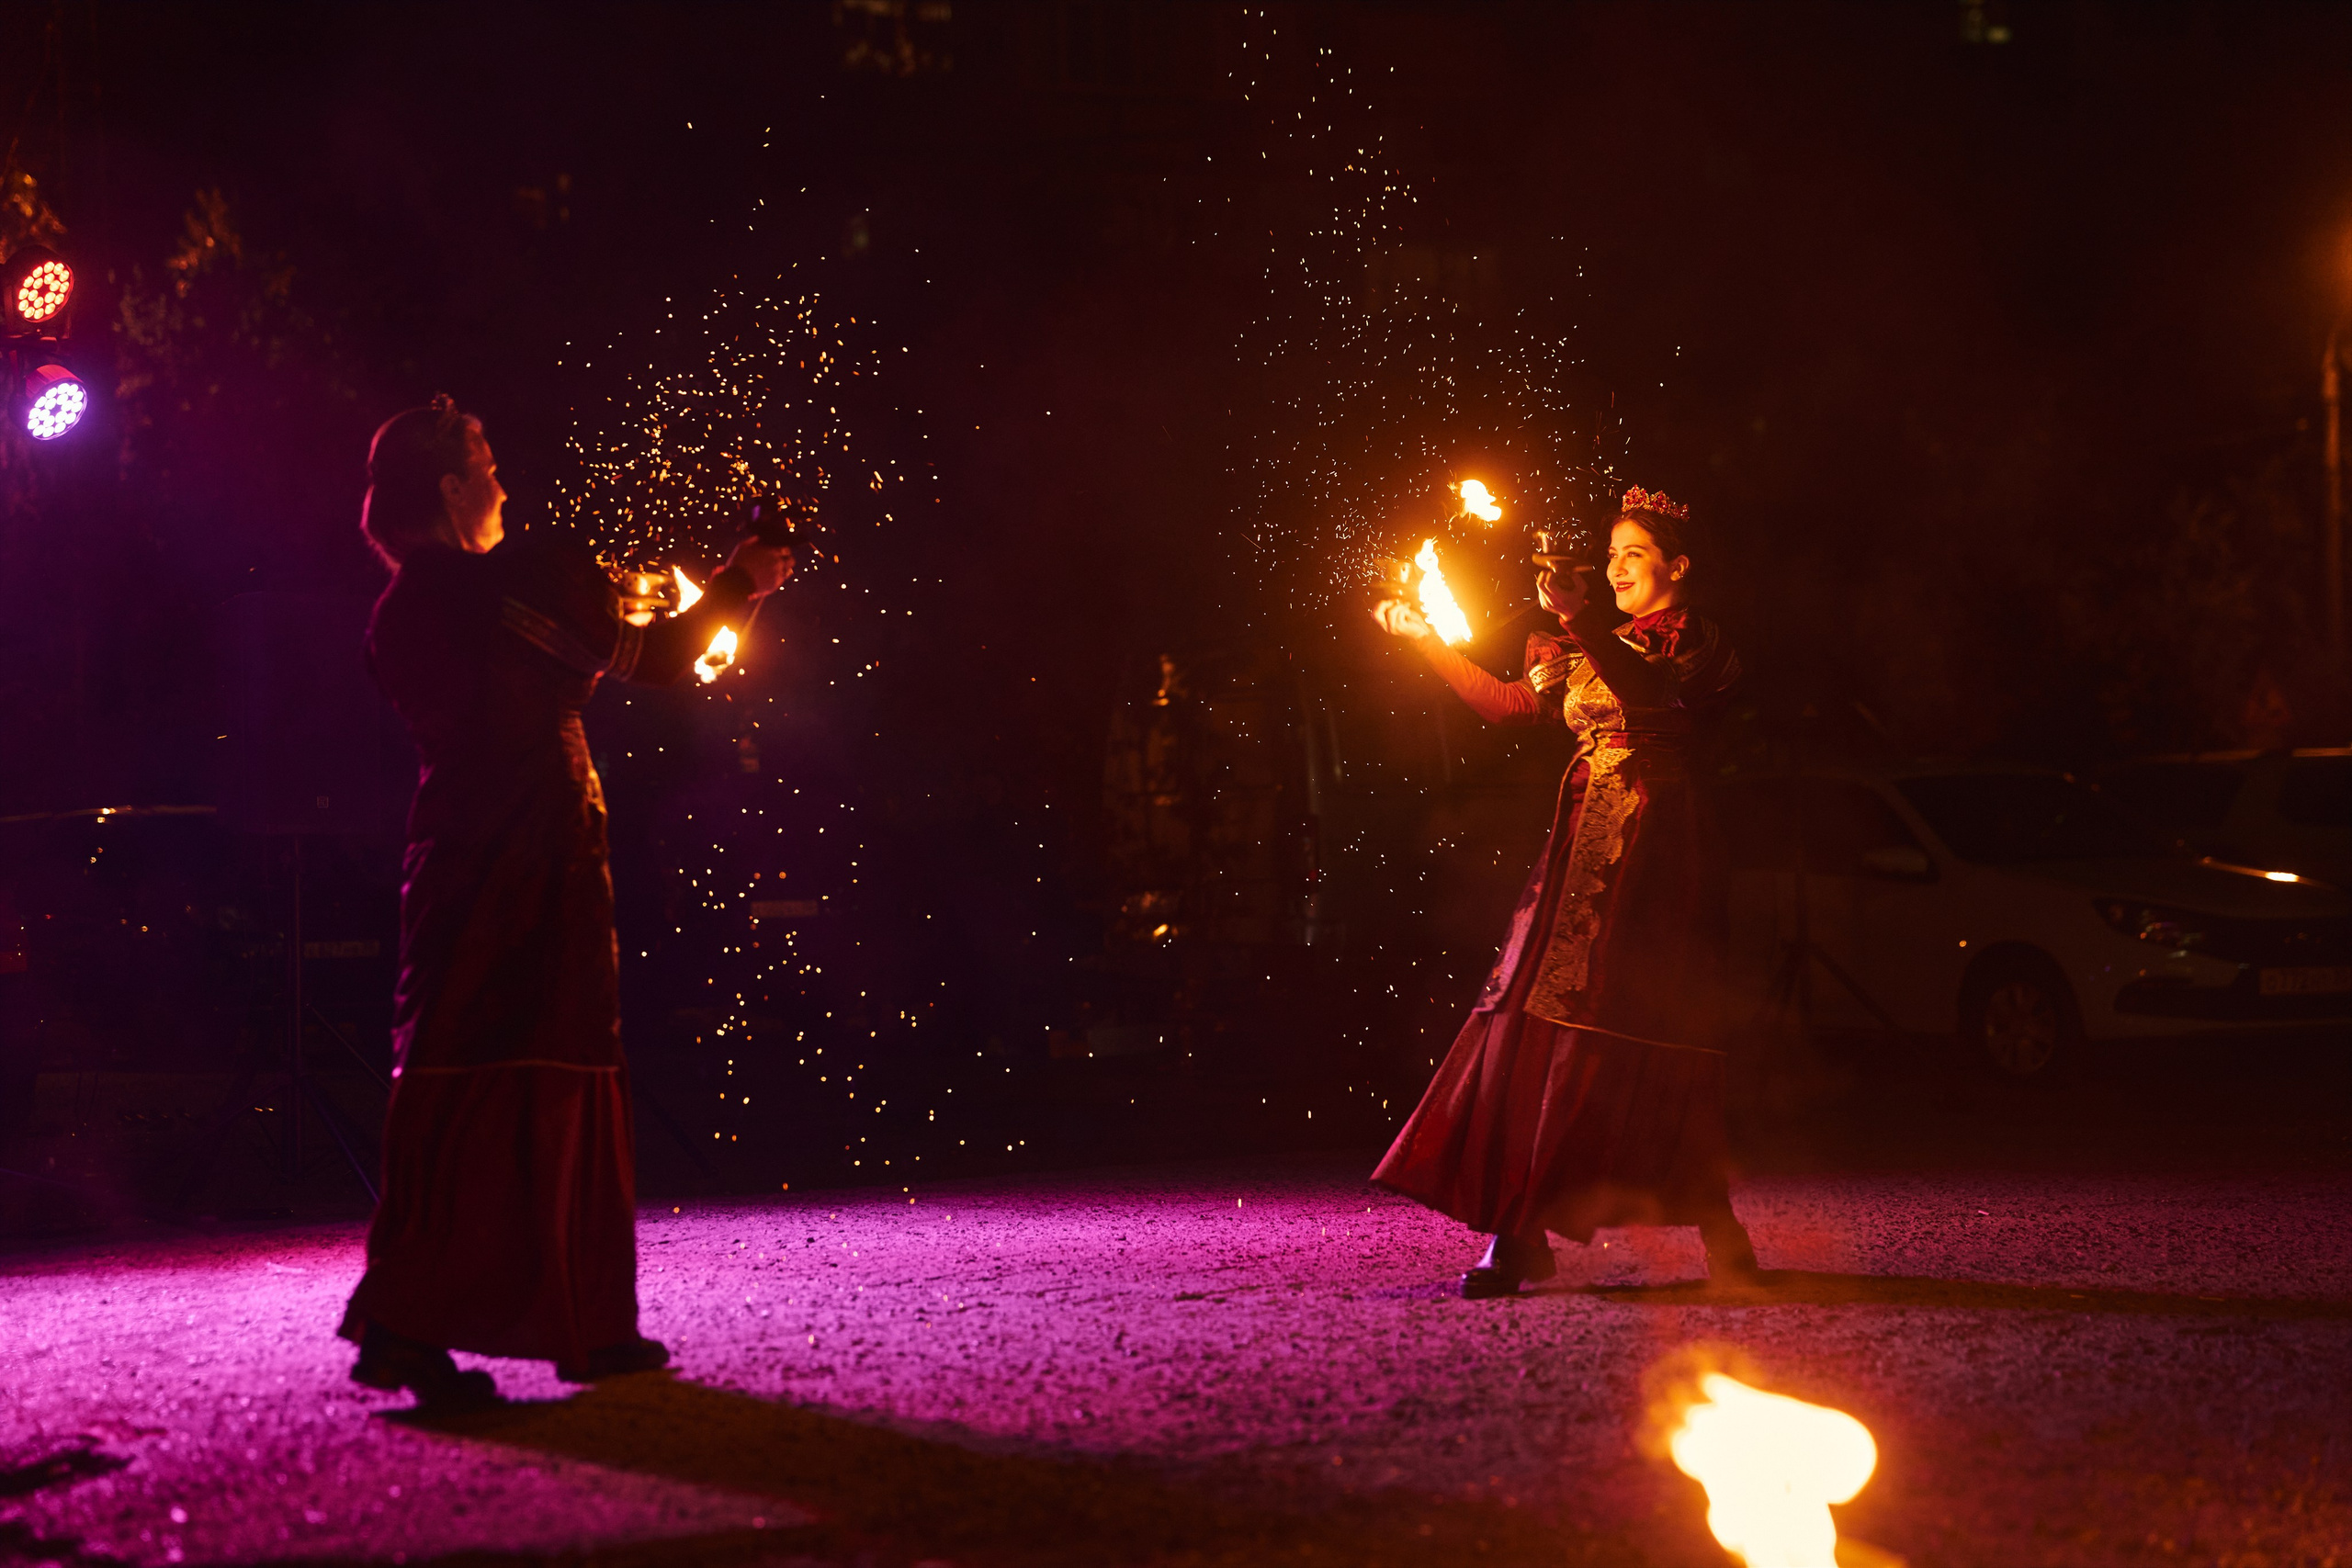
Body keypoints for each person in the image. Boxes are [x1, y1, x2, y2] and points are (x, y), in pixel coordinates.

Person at [339, 395, 789, 1404]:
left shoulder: (400, 606)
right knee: (559, 1054)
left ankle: (462, 1323)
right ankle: (525, 1322)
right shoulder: (511, 582)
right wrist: (743, 584)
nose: (503, 479)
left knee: (457, 1065)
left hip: (449, 847)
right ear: (450, 486)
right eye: (486, 459)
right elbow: (668, 660)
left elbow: (605, 619)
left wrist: (685, 590)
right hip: (535, 841)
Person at [1368, 486, 1758, 1298]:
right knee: (1531, 1008)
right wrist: (1427, 641)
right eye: (1610, 554)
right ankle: (1520, 1230)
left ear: (1677, 567)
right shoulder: (1587, 644)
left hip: (1654, 842)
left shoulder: (1697, 640)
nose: (1617, 568)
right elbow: (1512, 705)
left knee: (1627, 1016)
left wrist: (1581, 619)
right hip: (1580, 842)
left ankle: (1714, 1225)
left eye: (1634, 555)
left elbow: (1650, 695)